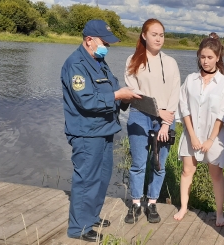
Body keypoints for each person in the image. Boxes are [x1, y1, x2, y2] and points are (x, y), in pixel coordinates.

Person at [61, 19, 141, 242]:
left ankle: (91, 216)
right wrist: (118, 96)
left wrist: (128, 97)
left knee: (102, 177)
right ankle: (79, 228)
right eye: (104, 42)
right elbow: (86, 101)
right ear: (89, 40)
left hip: (105, 129)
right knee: (86, 179)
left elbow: (113, 89)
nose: (108, 46)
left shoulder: (100, 61)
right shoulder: (75, 64)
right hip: (86, 133)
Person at [173, 33, 224, 227]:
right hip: (192, 133)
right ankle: (184, 206)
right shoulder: (191, 80)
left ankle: (219, 213)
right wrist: (192, 136)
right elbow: (184, 107)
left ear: (218, 57)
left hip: (215, 137)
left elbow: (223, 114)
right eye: (202, 57)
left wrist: (210, 139)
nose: (206, 61)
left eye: (210, 57)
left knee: (216, 174)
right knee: (187, 171)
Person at [123, 18, 181, 224]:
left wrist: (166, 122)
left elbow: (175, 93)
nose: (158, 38)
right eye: (154, 34)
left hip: (166, 120)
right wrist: (158, 112)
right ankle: (136, 203)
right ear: (144, 36)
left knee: (158, 164)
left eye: (161, 35)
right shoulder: (133, 60)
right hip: (140, 118)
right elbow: (134, 94)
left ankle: (152, 202)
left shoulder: (171, 62)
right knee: (138, 164)